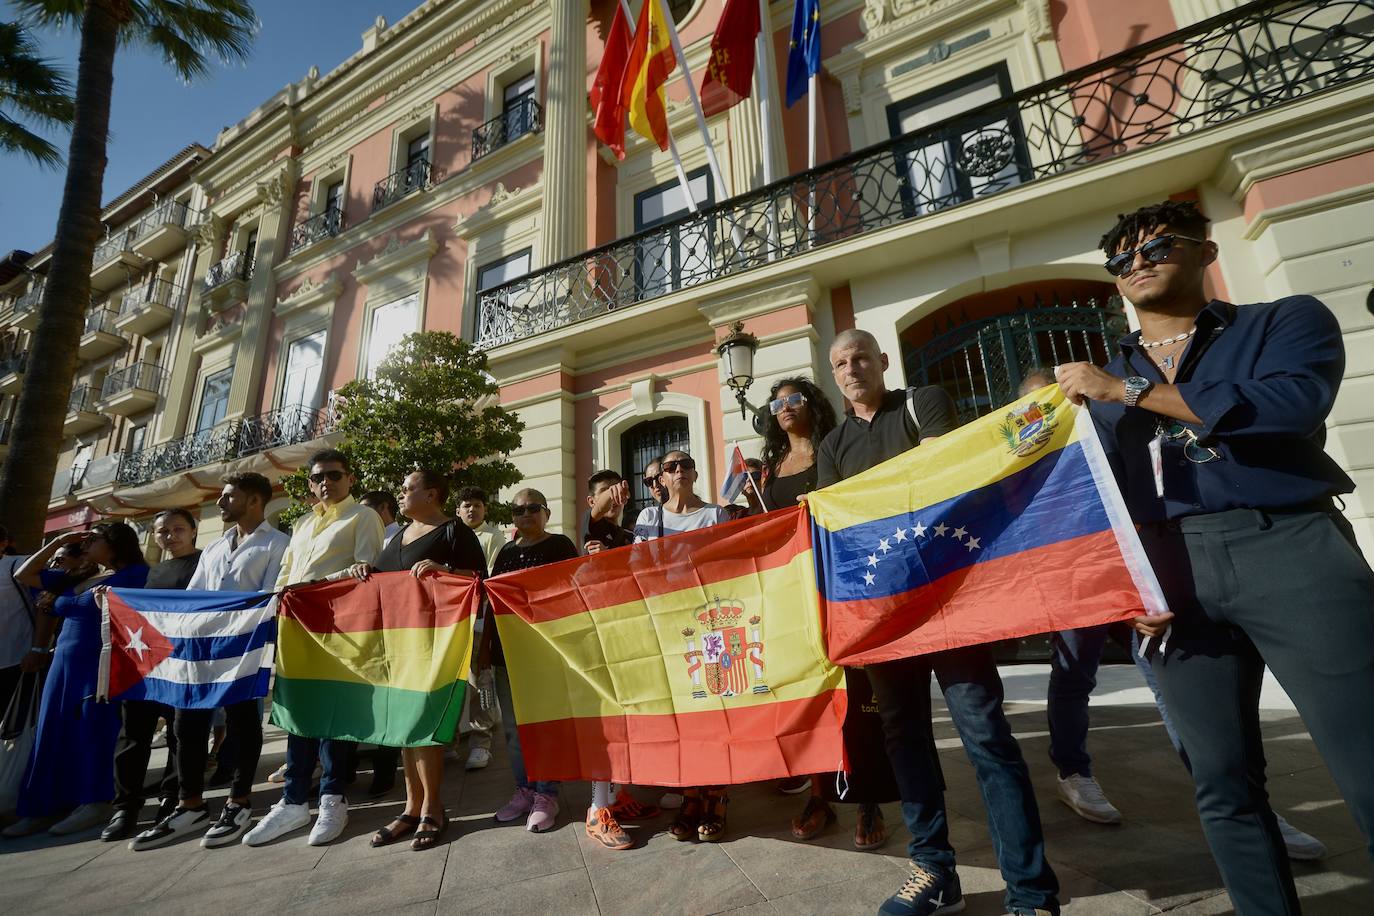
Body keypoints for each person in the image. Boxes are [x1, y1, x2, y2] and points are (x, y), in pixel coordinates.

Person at [1057, 199, 1374, 914]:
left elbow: (1291, 406)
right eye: (1121, 259)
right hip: (1171, 576)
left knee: (1367, 764)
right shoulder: (1092, 384)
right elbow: (1095, 494)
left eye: (1156, 246)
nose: (1137, 263)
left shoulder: (1282, 322)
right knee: (1222, 785)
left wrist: (1129, 390)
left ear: (1205, 252)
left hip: (1290, 546)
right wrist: (1123, 585)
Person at [815, 328, 1060, 916]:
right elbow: (835, 522)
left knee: (985, 736)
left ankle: (1030, 892)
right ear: (835, 373)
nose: (852, 369)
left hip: (952, 601)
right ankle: (934, 872)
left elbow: (943, 469)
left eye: (862, 358)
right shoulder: (832, 445)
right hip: (883, 613)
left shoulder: (922, 402)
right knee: (904, 741)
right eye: (841, 362)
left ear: (882, 362)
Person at [752, 377, 894, 850]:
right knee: (809, 695)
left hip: (842, 582)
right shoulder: (770, 469)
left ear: (811, 404)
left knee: (857, 695)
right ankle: (818, 795)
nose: (786, 407)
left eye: (794, 399)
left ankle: (867, 797)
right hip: (794, 593)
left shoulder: (834, 449)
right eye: (778, 402)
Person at [129, 473, 289, 850]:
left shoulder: (278, 543)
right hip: (201, 650)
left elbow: (268, 598)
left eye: (228, 497)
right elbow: (192, 597)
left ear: (253, 501)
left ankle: (239, 801)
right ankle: (190, 804)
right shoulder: (215, 547)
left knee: (243, 723)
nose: (220, 504)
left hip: (242, 652)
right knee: (187, 725)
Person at [243, 449, 384, 847]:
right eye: (319, 477)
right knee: (298, 713)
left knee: (334, 716)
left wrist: (307, 590)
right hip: (297, 629)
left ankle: (332, 798)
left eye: (335, 475)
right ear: (310, 484)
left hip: (339, 632)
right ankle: (291, 801)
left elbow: (365, 574)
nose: (327, 482)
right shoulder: (303, 522)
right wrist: (281, 600)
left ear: (350, 478)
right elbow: (285, 577)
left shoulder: (364, 517)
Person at [349, 469, 487, 851]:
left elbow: (480, 581)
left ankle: (433, 808)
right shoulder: (397, 535)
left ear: (433, 494)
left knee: (423, 726)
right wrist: (364, 571)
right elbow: (381, 580)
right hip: (398, 645)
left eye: (409, 488)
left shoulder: (455, 532)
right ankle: (411, 808)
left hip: (435, 643)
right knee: (406, 727)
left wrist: (446, 572)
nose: (402, 493)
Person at [3, 524, 150, 838]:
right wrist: (59, 540)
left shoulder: (136, 573)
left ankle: (95, 802)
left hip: (99, 664)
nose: (85, 544)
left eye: (93, 539)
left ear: (113, 544)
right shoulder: (81, 575)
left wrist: (56, 603)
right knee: (52, 732)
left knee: (92, 732)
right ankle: (41, 807)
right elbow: (24, 575)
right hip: (62, 664)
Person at [632, 451, 733, 842]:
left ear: (694, 472)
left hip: (709, 626)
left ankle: (719, 797)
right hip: (669, 627)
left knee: (715, 711)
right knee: (683, 716)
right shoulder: (649, 519)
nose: (679, 471)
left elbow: (727, 566)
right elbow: (638, 570)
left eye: (685, 464)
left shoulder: (716, 516)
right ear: (662, 477)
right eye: (671, 467)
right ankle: (692, 797)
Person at [104, 508, 201, 844]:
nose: (170, 536)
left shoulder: (204, 564)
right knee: (132, 735)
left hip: (184, 662)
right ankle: (126, 807)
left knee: (180, 733)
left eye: (177, 529)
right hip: (147, 663)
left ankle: (172, 797)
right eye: (163, 531)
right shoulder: (153, 571)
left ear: (193, 531)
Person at [485, 488, 579, 834]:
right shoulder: (506, 551)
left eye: (533, 508)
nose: (525, 514)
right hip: (507, 653)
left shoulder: (560, 546)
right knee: (512, 729)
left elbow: (570, 593)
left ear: (546, 513)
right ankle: (524, 789)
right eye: (518, 510)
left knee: (544, 724)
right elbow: (492, 599)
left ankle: (547, 794)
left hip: (543, 652)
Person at [579, 469, 662, 850]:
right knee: (605, 722)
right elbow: (595, 514)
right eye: (604, 494)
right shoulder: (591, 531)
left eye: (618, 492)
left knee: (625, 718)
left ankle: (616, 797)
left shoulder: (627, 536)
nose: (614, 499)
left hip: (628, 633)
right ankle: (598, 811)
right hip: (599, 637)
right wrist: (605, 502)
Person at [456, 486, 505, 772]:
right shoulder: (450, 535)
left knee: (481, 683)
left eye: (476, 504)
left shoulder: (492, 537)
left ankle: (481, 743)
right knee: (453, 686)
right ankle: (450, 743)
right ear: (457, 510)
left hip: (480, 621)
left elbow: (491, 581)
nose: (471, 509)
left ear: (485, 508)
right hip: (452, 623)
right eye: (466, 505)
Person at [0, 524, 32, 718]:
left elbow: (44, 605)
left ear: (3, 543)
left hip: (14, 659)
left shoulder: (19, 564)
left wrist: (39, 648)